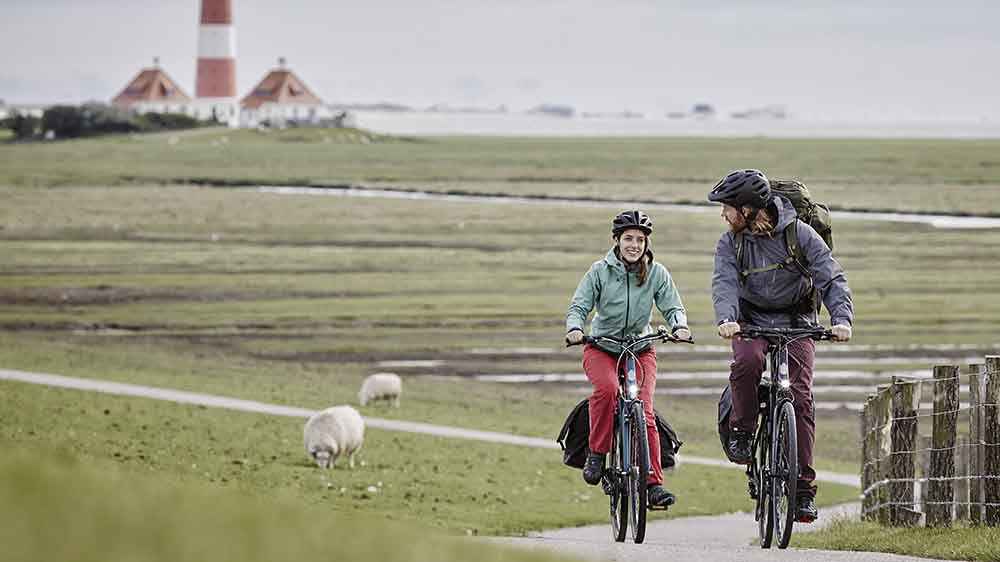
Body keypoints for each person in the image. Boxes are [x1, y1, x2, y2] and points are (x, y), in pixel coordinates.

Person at [707, 169, 854, 523]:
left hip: (797, 320)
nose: (723, 215)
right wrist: (727, 318)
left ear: (748, 209)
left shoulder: (799, 234)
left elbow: (830, 275)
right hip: (750, 319)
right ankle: (742, 430)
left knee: (800, 399)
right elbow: (724, 281)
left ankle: (803, 490)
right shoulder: (731, 241)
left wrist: (841, 319)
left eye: (728, 208)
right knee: (746, 363)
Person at [565, 209, 691, 508]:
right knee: (608, 391)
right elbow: (579, 306)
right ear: (616, 241)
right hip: (601, 347)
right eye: (628, 239)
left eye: (640, 240)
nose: (634, 245)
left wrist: (680, 326)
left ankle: (653, 484)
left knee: (644, 410)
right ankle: (596, 454)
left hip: (640, 349)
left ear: (647, 244)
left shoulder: (657, 273)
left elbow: (672, 306)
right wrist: (574, 328)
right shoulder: (599, 271)